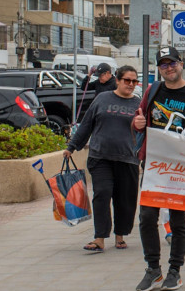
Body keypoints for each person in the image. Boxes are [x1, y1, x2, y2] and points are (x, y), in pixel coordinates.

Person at [132, 46, 185, 291]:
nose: (169, 68)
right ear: (159, 69)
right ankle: (153, 270)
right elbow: (140, 119)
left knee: (178, 220)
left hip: (183, 166)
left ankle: (174, 271)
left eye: (172, 63)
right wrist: (137, 122)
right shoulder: (153, 90)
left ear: (181, 64)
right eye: (163, 64)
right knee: (147, 217)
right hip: (154, 164)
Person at [65, 65, 141, 252]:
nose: (130, 84)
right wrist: (72, 147)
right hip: (100, 157)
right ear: (118, 80)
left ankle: (120, 236)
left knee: (124, 199)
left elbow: (146, 132)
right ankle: (99, 238)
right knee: (102, 194)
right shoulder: (102, 99)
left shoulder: (139, 104)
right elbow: (87, 125)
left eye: (134, 81)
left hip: (128, 158)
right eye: (127, 80)